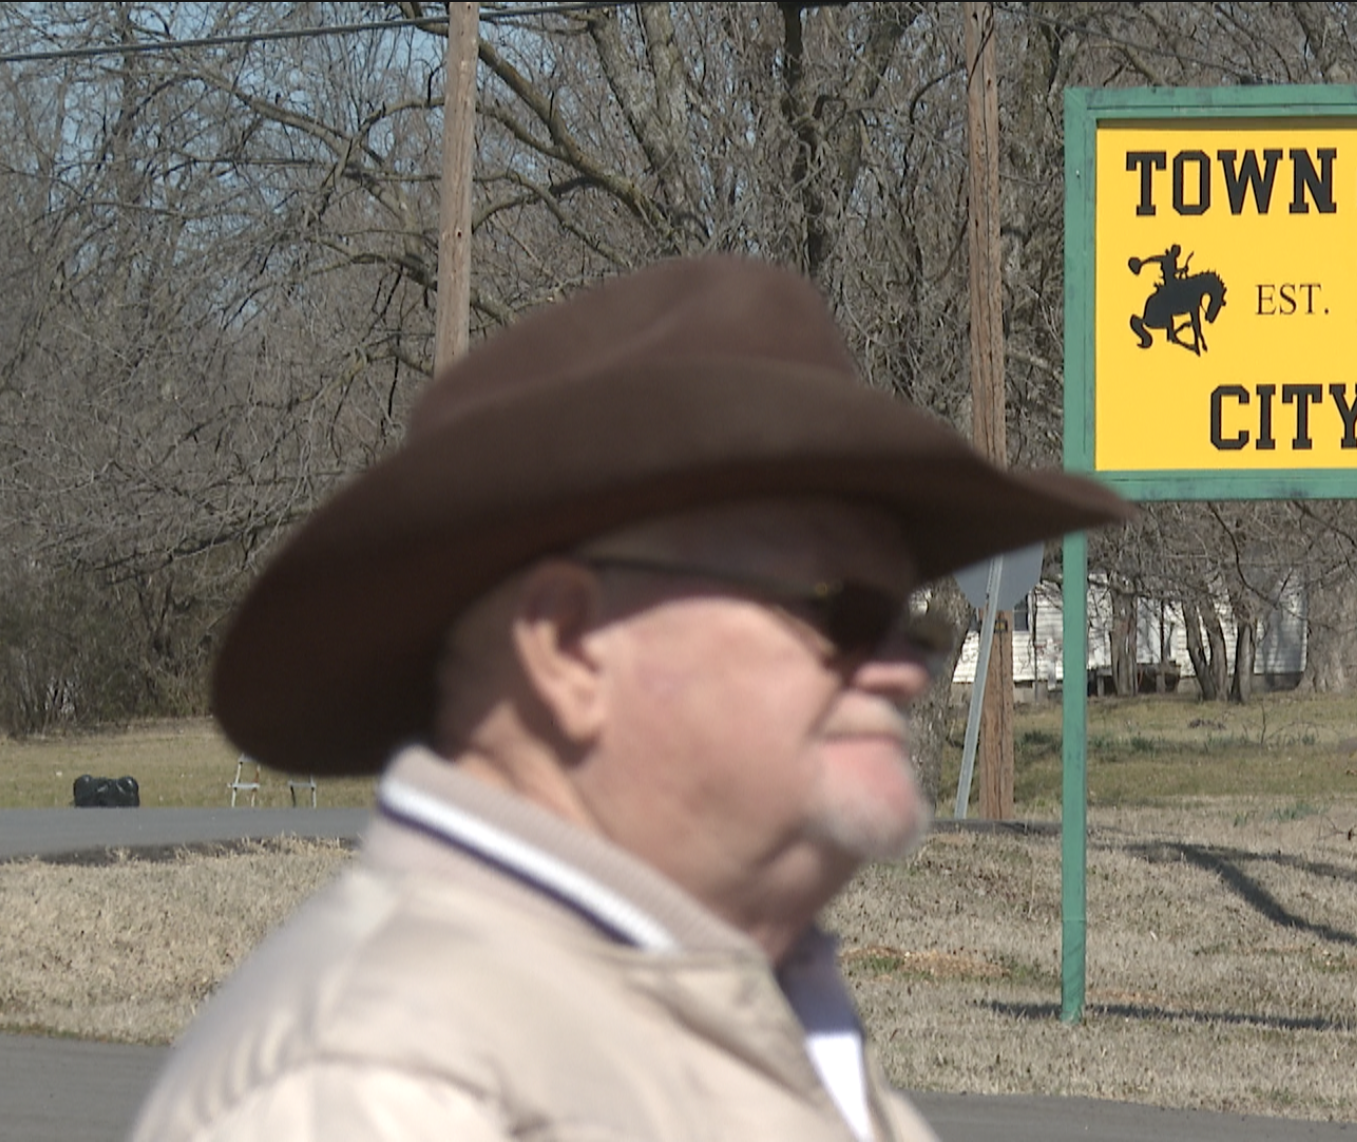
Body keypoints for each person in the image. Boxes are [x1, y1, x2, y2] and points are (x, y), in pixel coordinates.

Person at [129, 256, 1130, 1141]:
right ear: (568, 648)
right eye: (843, 610)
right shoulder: (381, 1082)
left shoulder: (742, 999)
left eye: (910, 623)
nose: (903, 668)